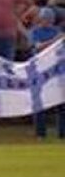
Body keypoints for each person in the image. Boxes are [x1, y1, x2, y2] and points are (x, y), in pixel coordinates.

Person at [27, 8, 63, 139]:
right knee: (40, 103)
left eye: (49, 19)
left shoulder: (56, 31)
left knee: (60, 102)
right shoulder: (34, 32)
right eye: (44, 19)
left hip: (56, 71)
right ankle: (40, 133)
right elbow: (38, 47)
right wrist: (55, 41)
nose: (47, 22)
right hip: (40, 70)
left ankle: (62, 133)